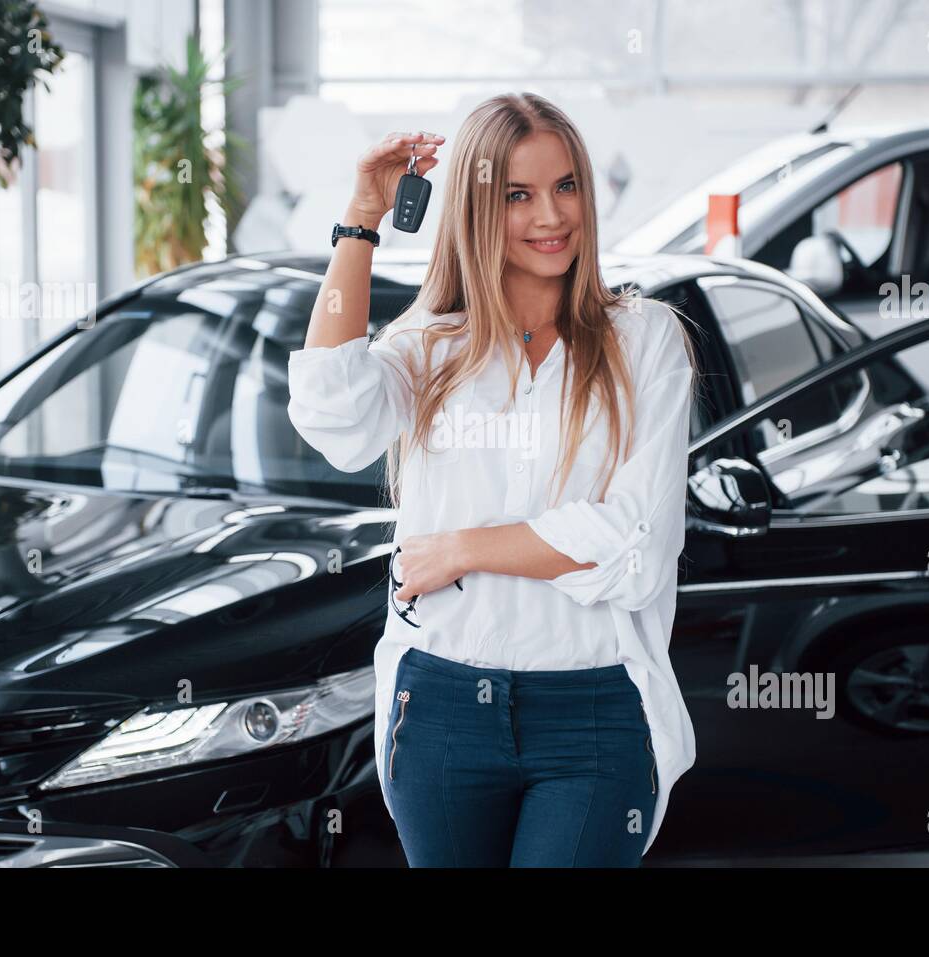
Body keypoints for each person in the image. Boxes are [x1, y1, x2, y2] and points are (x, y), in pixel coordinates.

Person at [287, 92, 699, 867]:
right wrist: (360, 219)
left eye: (566, 185)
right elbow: (329, 414)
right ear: (476, 208)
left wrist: (464, 549)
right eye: (518, 194)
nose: (551, 214)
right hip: (441, 704)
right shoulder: (430, 347)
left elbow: (635, 548)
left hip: (595, 706)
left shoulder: (647, 342)